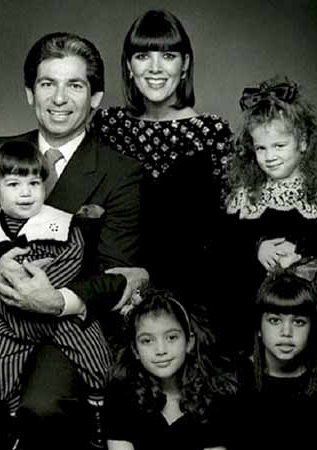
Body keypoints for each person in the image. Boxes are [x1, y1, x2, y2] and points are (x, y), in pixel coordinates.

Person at [0, 32, 145, 450]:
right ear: (30, 93)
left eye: (75, 85)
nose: (60, 98)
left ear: (96, 98)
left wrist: (55, 301)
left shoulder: (121, 172)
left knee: (40, 409)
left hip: (66, 332)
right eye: (48, 84)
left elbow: (114, 275)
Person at [0, 140, 113, 417]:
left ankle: (99, 408)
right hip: (9, 318)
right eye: (14, 185)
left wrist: (36, 285)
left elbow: (73, 257)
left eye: (34, 184)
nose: (25, 193)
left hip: (59, 316)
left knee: (93, 348)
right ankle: (14, 415)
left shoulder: (59, 223)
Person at [91, 9, 234, 316]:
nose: (155, 68)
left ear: (184, 65)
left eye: (168, 55)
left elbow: (227, 234)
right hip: (115, 294)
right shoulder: (107, 126)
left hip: (193, 297)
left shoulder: (212, 133)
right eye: (143, 55)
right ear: (129, 65)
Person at [225, 75, 317, 352]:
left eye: (279, 146)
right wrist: (257, 249)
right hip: (257, 302)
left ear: (303, 143)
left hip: (308, 302)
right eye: (261, 148)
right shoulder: (247, 195)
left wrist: (302, 252)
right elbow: (229, 244)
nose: (269, 156)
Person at [229, 267, 317, 450]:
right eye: (275, 320)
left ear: (311, 328)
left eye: (299, 322)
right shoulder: (234, 379)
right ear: (258, 328)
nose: (286, 333)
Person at [104, 288, 237, 450]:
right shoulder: (121, 397)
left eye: (171, 337)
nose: (161, 350)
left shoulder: (214, 397)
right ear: (135, 349)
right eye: (147, 341)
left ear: (189, 342)